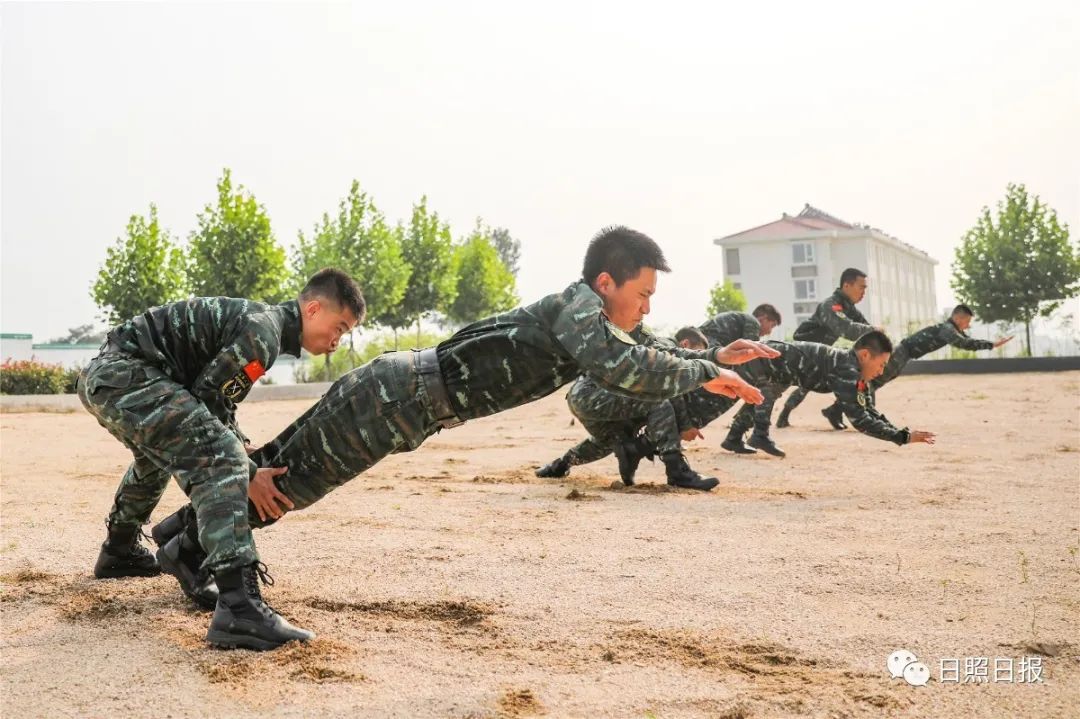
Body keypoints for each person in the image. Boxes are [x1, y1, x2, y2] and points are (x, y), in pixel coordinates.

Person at [151, 226, 779, 609]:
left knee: (280, 468)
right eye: (642, 295)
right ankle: (191, 550)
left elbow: (641, 347)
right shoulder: (579, 311)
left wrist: (714, 357)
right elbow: (623, 365)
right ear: (607, 283)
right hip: (401, 398)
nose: (645, 308)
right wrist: (704, 371)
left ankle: (183, 534)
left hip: (403, 392)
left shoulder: (587, 314)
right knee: (292, 483)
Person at [78, 268, 364, 650]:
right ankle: (240, 607)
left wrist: (240, 445)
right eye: (339, 328)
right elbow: (209, 400)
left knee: (158, 457)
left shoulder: (263, 325)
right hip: (125, 375)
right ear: (313, 309)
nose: (336, 342)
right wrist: (247, 468)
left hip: (106, 377)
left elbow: (214, 398)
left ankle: (119, 551)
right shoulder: (263, 333)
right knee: (223, 459)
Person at [535, 326, 721, 490]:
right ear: (685, 344)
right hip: (592, 394)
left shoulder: (656, 345)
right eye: (697, 353)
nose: (697, 359)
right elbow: (670, 390)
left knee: (610, 440)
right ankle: (677, 471)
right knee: (659, 402)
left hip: (583, 397)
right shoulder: (667, 347)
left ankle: (560, 465)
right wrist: (686, 426)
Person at [729, 331, 936, 450]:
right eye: (881, 365)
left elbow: (868, 410)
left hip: (774, 365)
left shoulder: (853, 369)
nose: (881, 371)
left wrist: (901, 433)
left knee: (763, 394)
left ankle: (736, 438)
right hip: (759, 359)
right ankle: (756, 435)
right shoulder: (847, 371)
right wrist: (902, 437)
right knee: (724, 400)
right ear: (865, 355)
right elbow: (860, 420)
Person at [776, 268, 875, 430]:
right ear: (847, 286)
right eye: (861, 287)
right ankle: (764, 417)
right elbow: (847, 329)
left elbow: (865, 329)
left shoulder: (849, 308)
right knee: (785, 385)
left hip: (822, 352)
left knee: (842, 378)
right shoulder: (831, 305)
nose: (864, 292)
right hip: (804, 350)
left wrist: (876, 340)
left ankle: (834, 411)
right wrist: (874, 331)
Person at [869, 304, 1012, 391]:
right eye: (967, 321)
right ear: (958, 318)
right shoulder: (948, 330)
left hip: (905, 354)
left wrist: (991, 344)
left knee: (878, 381)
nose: (968, 325)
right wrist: (991, 345)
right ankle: (862, 412)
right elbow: (964, 343)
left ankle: (863, 410)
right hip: (902, 353)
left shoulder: (951, 328)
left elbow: (967, 340)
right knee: (875, 382)